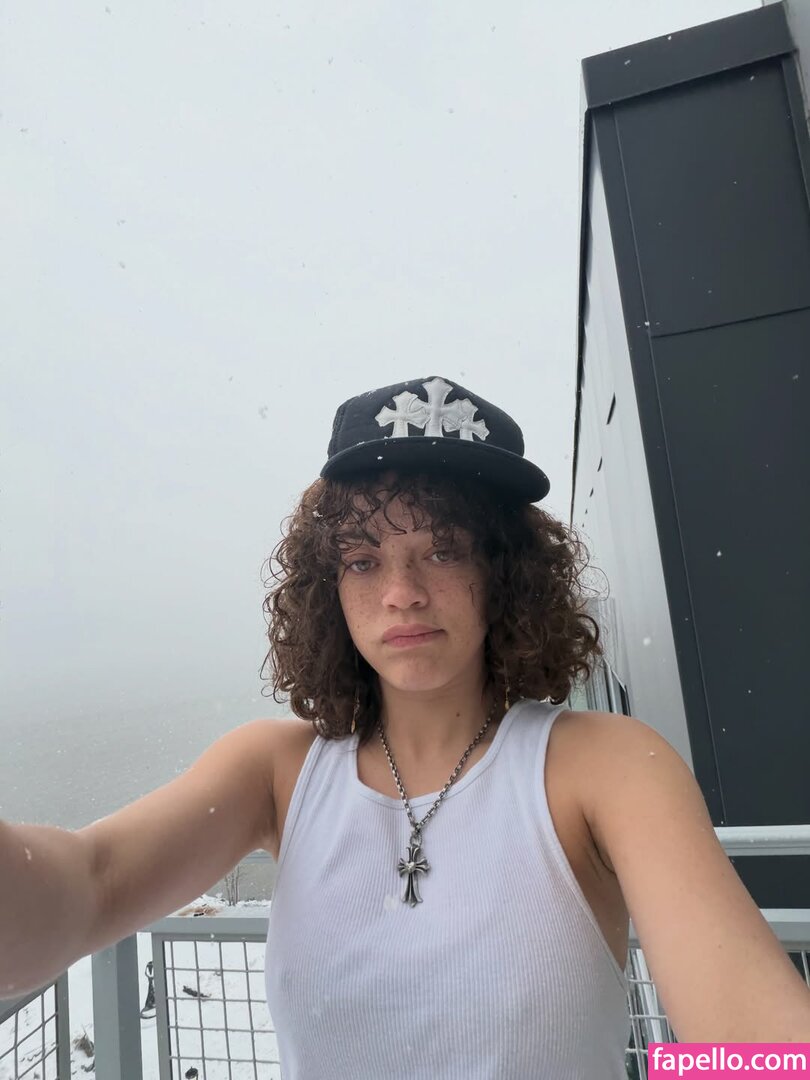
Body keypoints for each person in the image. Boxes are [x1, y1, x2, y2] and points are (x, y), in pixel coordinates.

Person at [1, 376, 809, 1079]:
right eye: (363, 560)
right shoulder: (274, 771)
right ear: (328, 588)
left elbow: (749, 1037)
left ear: (504, 572)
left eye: (444, 551)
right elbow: (91, 883)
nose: (402, 592)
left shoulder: (607, 766)